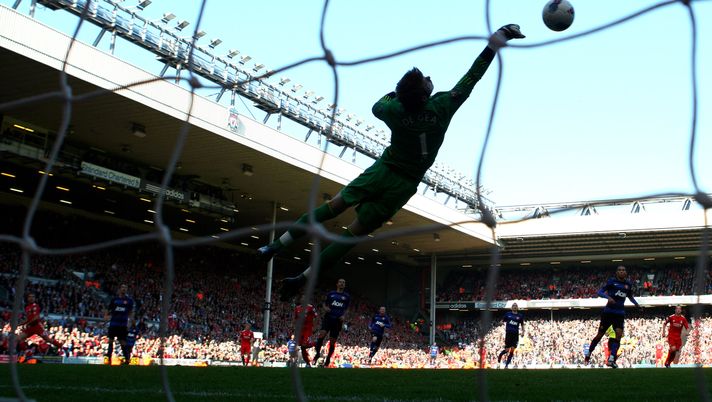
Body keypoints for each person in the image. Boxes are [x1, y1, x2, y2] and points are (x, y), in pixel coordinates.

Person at [257, 24, 526, 301]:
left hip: (382, 171)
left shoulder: (395, 110)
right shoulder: (444, 105)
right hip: (404, 184)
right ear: (424, 96)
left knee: (332, 207)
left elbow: (377, 106)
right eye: (426, 81)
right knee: (350, 235)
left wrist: (395, 95)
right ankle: (301, 279)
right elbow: (472, 76)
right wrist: (496, 41)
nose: (430, 78)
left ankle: (275, 246)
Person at [583, 265, 641, 368]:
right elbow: (599, 292)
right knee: (599, 335)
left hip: (619, 313)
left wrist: (637, 305)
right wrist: (608, 297)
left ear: (626, 272)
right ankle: (588, 354)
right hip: (608, 312)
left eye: (623, 270)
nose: (622, 272)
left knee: (619, 334)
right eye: (620, 270)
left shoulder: (628, 284)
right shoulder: (611, 282)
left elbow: (630, 296)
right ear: (617, 272)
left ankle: (612, 358)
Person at [313, 278, 350, 367]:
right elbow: (324, 304)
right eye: (340, 282)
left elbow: (347, 308)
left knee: (332, 342)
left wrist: (344, 316)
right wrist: (325, 308)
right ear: (337, 284)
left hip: (338, 321)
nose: (342, 284)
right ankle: (317, 354)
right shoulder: (331, 294)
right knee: (321, 335)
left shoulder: (346, 296)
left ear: (344, 285)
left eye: (343, 283)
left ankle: (328, 358)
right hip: (328, 318)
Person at [103, 284, 134, 365]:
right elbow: (108, 308)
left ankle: (127, 359)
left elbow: (131, 312)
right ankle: (109, 358)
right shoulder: (114, 299)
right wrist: (106, 316)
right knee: (110, 340)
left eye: (125, 288)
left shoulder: (129, 301)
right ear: (119, 289)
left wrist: (130, 322)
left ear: (126, 290)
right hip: (113, 323)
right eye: (122, 287)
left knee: (123, 342)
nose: (124, 289)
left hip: (123, 324)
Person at [496, 303, 524, 369]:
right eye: (513, 306)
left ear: (517, 308)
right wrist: (500, 323)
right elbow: (502, 320)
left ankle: (506, 365)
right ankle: (500, 356)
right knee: (506, 350)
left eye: (516, 306)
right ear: (511, 308)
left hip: (515, 335)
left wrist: (523, 332)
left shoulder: (520, 316)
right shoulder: (508, 314)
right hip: (508, 334)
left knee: (512, 350)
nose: (514, 307)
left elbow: (522, 324)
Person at [294, 299, 318, 367]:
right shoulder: (297, 308)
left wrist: (315, 327)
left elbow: (316, 316)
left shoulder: (310, 307)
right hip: (300, 330)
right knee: (302, 348)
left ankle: (316, 343)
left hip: (308, 329)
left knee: (304, 345)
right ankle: (308, 363)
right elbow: (295, 319)